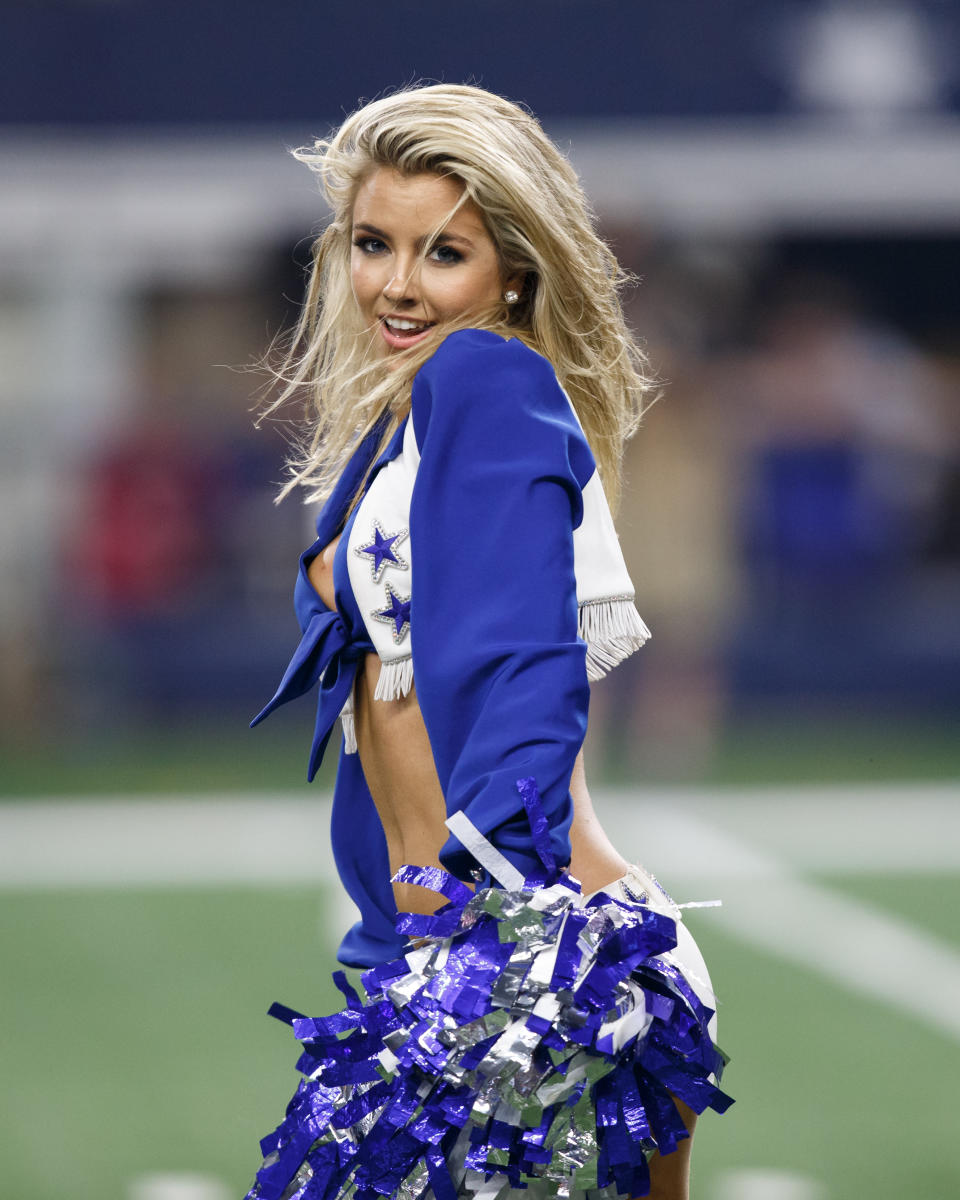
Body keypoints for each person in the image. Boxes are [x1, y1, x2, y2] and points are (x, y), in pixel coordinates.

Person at [245, 84, 731, 1200]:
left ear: (513, 270)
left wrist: (496, 917)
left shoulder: (486, 379)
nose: (398, 283)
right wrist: (398, 951)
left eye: (443, 253)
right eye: (374, 244)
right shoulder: (403, 421)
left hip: (533, 965)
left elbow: (520, 656)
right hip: (449, 966)